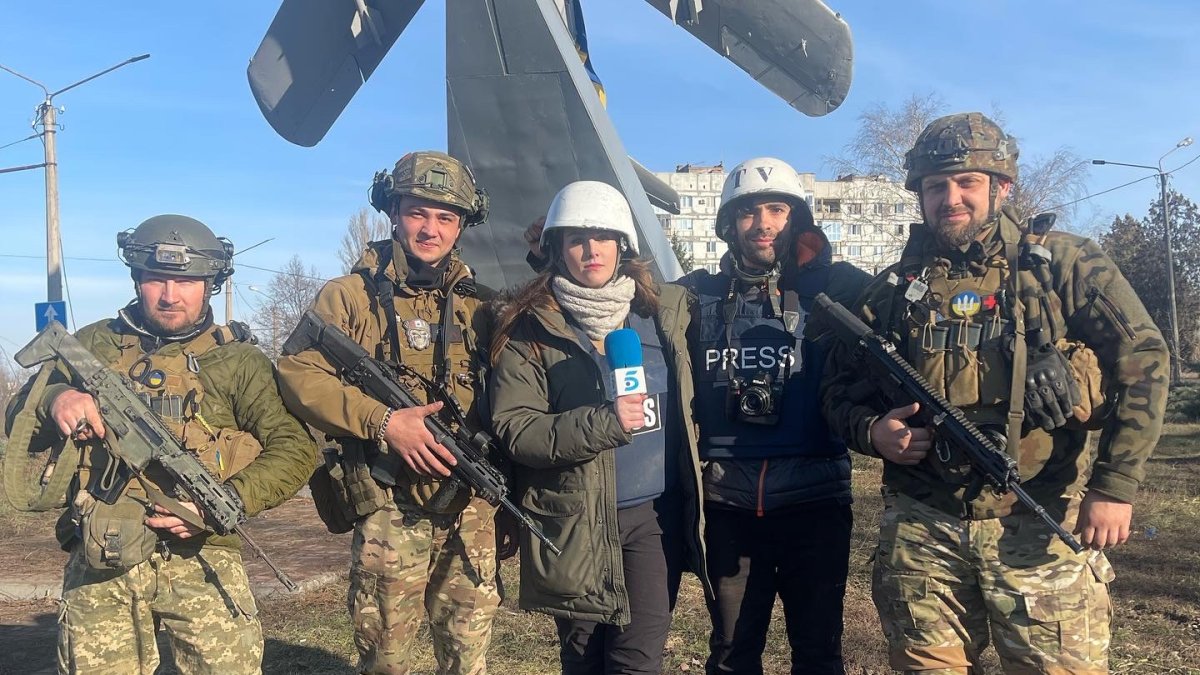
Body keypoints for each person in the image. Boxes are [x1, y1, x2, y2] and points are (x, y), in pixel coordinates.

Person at [821, 112, 1169, 674]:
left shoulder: (1063, 264)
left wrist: (1116, 486)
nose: (950, 198)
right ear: (920, 195)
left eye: (967, 183)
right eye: (936, 186)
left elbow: (1145, 361)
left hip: (1037, 517)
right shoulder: (890, 290)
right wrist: (873, 431)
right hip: (923, 524)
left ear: (1000, 187)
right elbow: (835, 390)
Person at [4, 214, 317, 674]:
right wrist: (56, 399)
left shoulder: (238, 361)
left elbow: (295, 447)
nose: (171, 295)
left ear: (210, 283)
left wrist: (223, 503)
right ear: (136, 277)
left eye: (186, 281)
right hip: (101, 556)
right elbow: (19, 422)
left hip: (205, 556)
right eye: (157, 279)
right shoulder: (94, 344)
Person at [276, 151, 500, 675]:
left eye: (446, 217)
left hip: (469, 507)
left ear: (462, 226)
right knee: (385, 654)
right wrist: (383, 421)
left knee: (469, 655)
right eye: (418, 212)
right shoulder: (348, 297)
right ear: (393, 212)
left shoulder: (481, 306)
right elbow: (297, 373)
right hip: (388, 505)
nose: (431, 229)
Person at [489, 180, 708, 675]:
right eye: (576, 240)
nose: (591, 251)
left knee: (638, 662)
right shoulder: (531, 330)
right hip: (573, 524)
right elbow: (517, 430)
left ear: (623, 245)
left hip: (652, 521)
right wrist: (605, 422)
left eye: (603, 237)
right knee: (584, 662)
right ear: (557, 250)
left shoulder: (662, 316)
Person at [673, 157, 870, 675]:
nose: (763, 223)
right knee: (733, 653)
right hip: (728, 505)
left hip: (816, 501)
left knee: (819, 652)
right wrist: (550, 256)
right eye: (748, 212)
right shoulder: (696, 296)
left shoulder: (837, 289)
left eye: (777, 209)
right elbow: (617, 298)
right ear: (727, 225)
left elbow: (909, 309)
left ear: (798, 219)